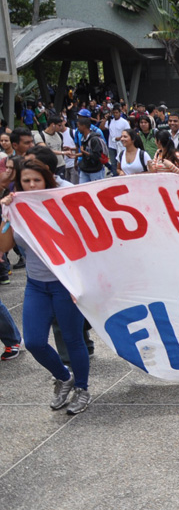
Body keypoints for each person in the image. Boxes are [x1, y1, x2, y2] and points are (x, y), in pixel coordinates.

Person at [0, 161, 93, 414]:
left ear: (47, 181)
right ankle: (64, 377)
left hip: (64, 285)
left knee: (73, 339)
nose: (31, 185)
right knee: (34, 342)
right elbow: (5, 246)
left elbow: (80, 247)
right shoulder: (16, 207)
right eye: (26, 181)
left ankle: (82, 389)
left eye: (36, 181)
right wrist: (5, 216)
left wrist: (78, 284)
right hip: (35, 286)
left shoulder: (59, 207)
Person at [75, 116, 108, 183]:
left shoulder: (94, 139)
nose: (78, 129)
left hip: (95, 170)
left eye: (79, 126)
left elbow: (97, 156)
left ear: (84, 126)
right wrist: (75, 155)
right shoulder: (83, 138)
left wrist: (83, 152)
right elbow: (85, 153)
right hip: (85, 169)